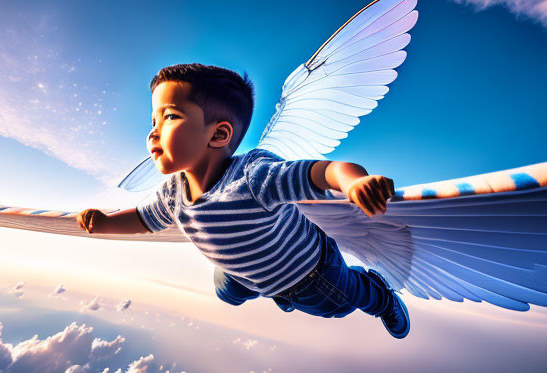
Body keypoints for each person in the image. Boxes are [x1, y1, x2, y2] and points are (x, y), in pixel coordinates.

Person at [76, 63, 410, 338]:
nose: (152, 131)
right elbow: (142, 219)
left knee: (336, 305)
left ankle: (380, 295)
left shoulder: (255, 177)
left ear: (218, 134)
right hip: (246, 273)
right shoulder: (172, 193)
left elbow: (326, 171)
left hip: (311, 274)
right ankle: (259, 282)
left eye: (170, 117)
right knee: (227, 291)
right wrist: (104, 221)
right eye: (153, 120)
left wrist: (355, 183)